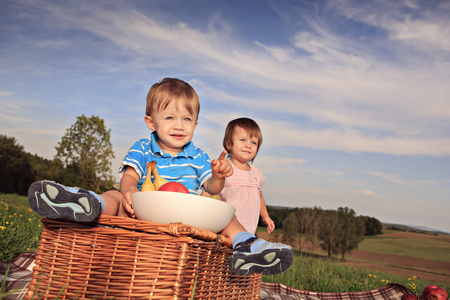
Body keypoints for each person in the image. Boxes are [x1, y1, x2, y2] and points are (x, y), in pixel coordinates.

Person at [28, 78, 292, 276]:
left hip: (187, 216)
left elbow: (211, 187)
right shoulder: (143, 148)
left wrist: (218, 176)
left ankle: (248, 244)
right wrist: (129, 191)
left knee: (225, 211)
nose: (179, 125)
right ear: (151, 122)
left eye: (187, 119)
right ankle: (86, 202)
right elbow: (130, 177)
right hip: (143, 212)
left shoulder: (199, 156)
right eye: (169, 117)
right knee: (116, 196)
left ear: (196, 125)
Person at [218, 117, 275, 235]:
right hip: (225, 228)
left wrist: (265, 216)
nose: (248, 145)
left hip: (249, 229)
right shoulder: (224, 167)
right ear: (229, 144)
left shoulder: (256, 174)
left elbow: (260, 198)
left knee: (244, 249)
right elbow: (211, 191)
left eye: (253, 142)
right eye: (243, 140)